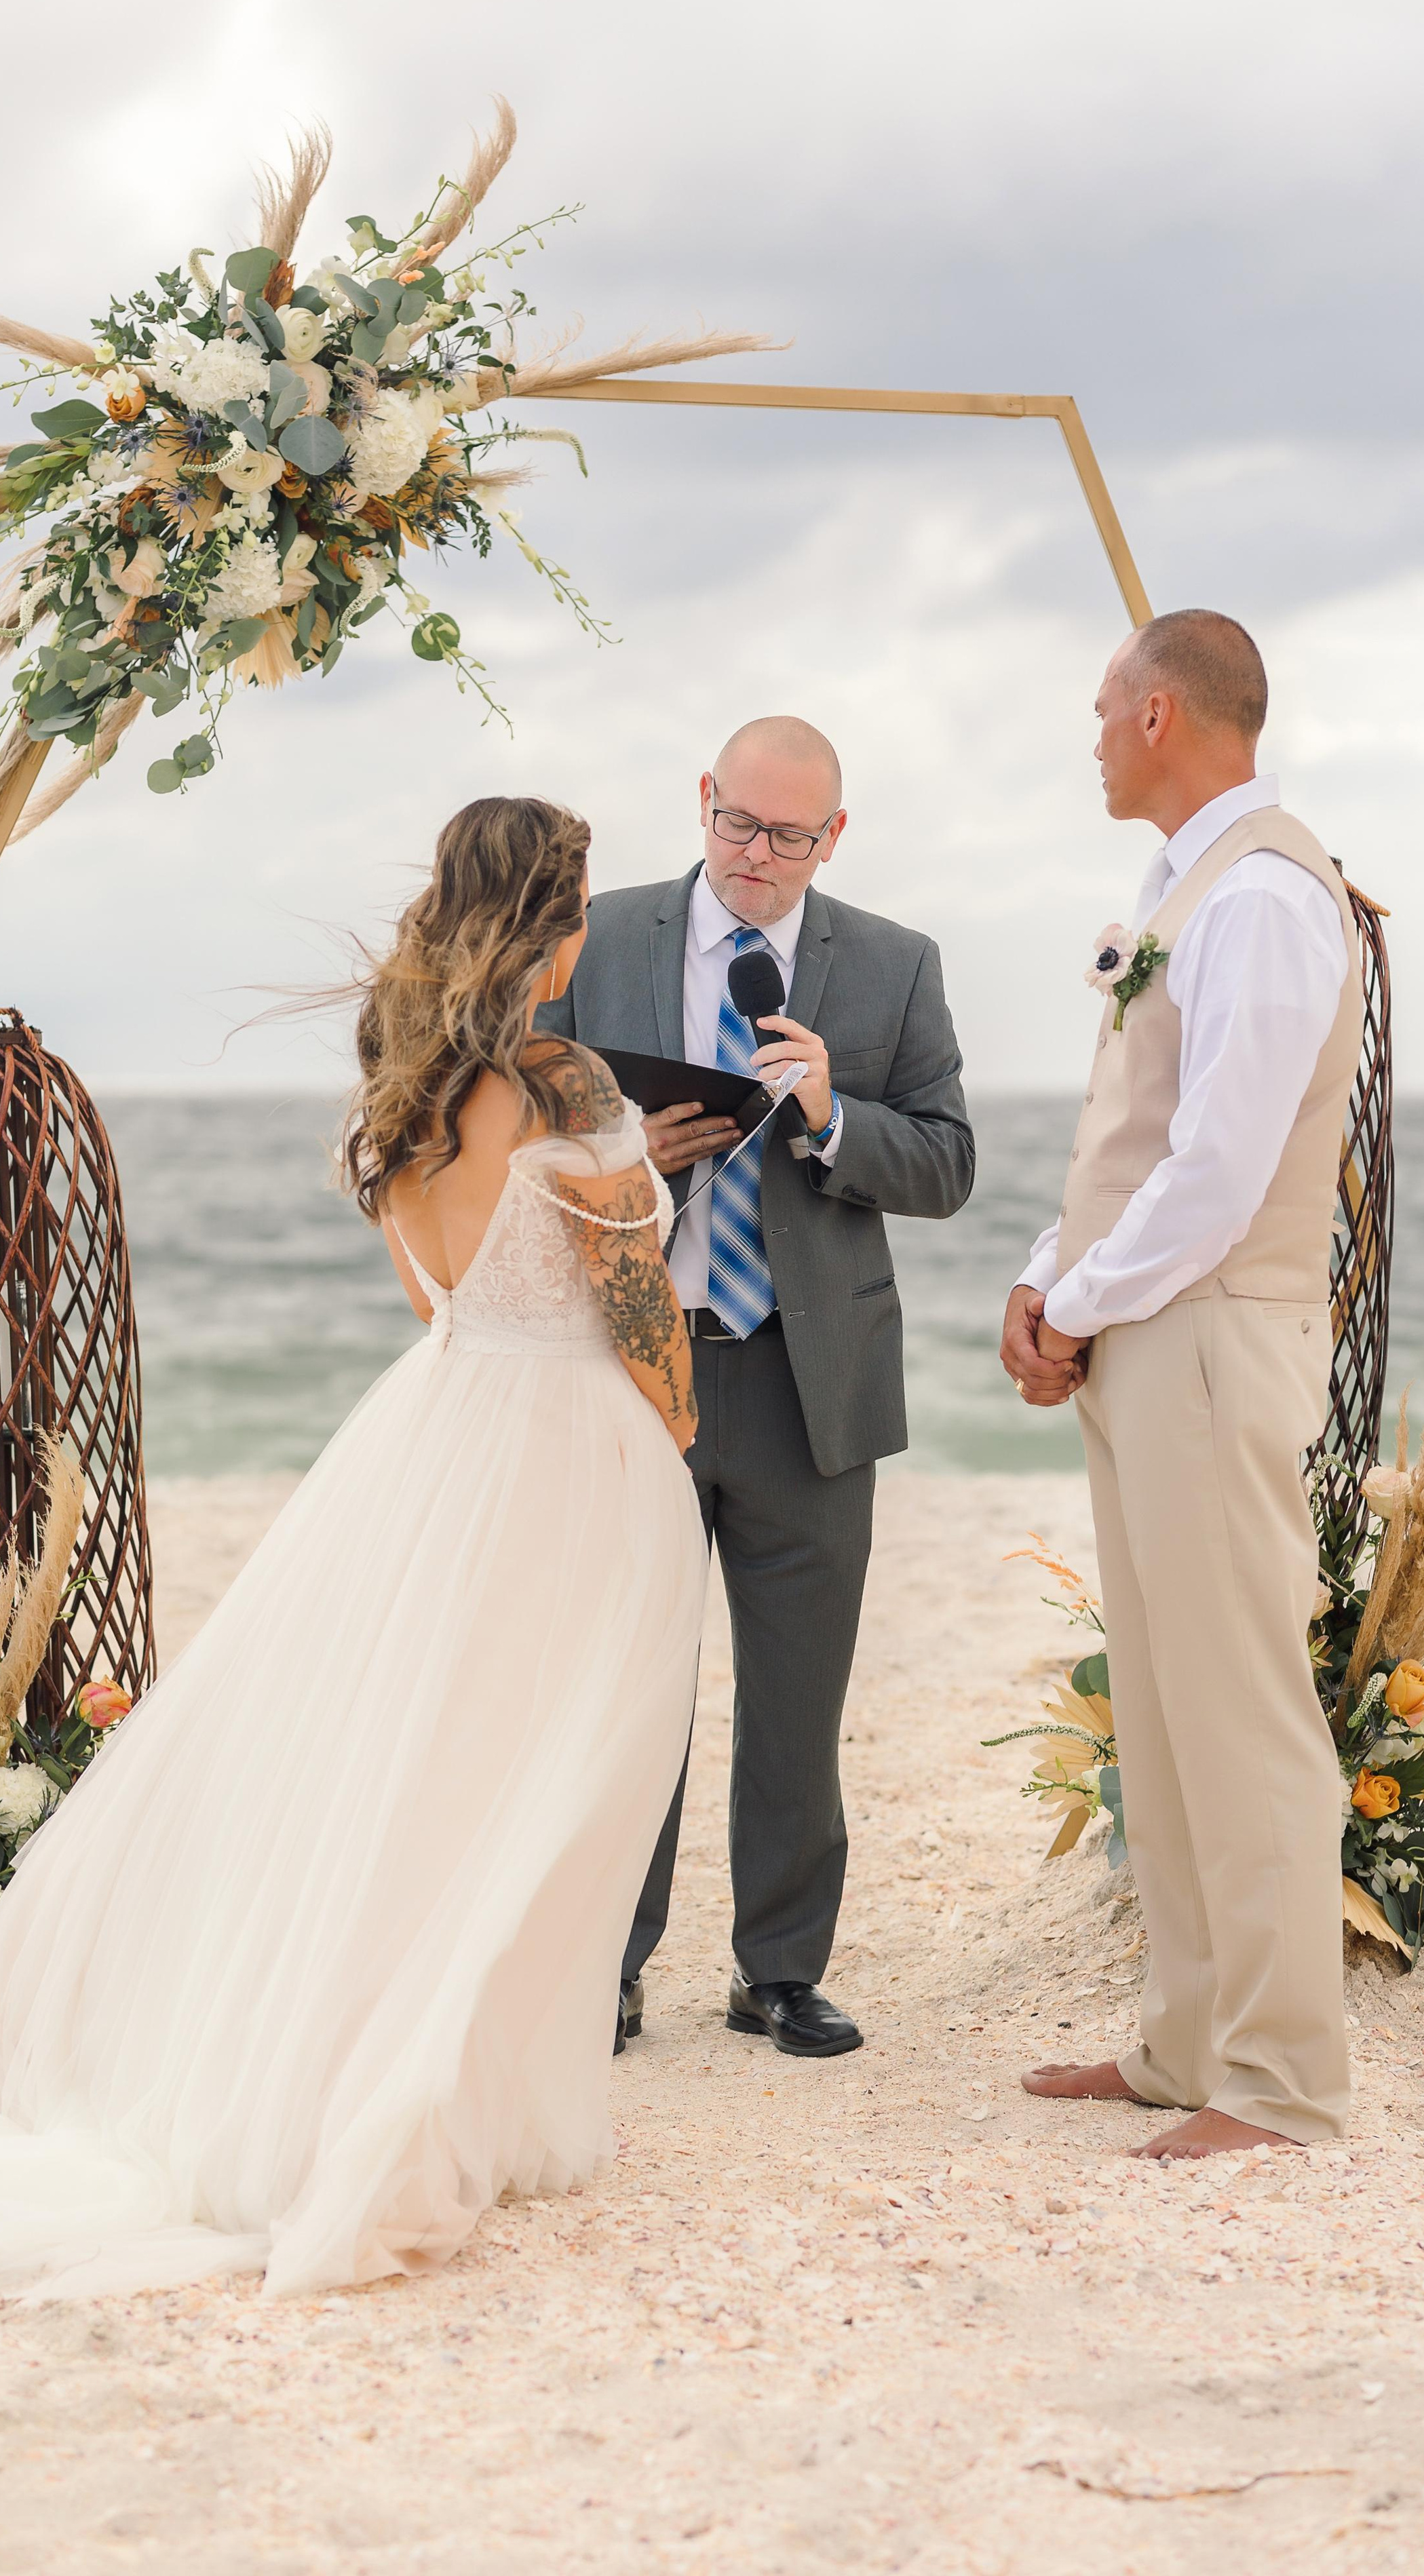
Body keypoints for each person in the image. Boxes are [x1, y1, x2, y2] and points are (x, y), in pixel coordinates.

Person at [0, 797, 708, 2296]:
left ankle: (368, 2069)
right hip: (570, 1447)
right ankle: (445, 2098)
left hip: (438, 1430)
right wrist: (672, 1427)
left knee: (421, 1765)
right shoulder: (558, 1077)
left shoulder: (399, 1077)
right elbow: (633, 1305)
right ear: (550, 922)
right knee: (546, 1772)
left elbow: (444, 1297)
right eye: (576, 911)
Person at [540, 716, 974, 2058]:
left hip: (807, 1383)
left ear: (830, 837)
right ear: (702, 801)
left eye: (787, 836)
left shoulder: (892, 966)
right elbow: (510, 1136)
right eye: (735, 823)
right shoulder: (592, 939)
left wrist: (838, 1115)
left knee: (796, 1700)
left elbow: (948, 1164)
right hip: (633, 1373)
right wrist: (633, 1151)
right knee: (623, 1690)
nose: (755, 855)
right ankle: (604, 1967)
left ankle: (776, 1973)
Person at [1003, 611, 1361, 2159]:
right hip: (1148, 1330)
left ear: (1159, 714)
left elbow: (1219, 1171)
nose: (1086, 735)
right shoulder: (1180, 890)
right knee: (1156, 1707)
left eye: (1098, 708)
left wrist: (1076, 1302)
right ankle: (1182, 2043)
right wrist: (1043, 1272)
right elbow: (1137, 1137)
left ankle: (1280, 2084)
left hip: (1209, 1335)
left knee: (1240, 1708)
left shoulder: (1266, 898)